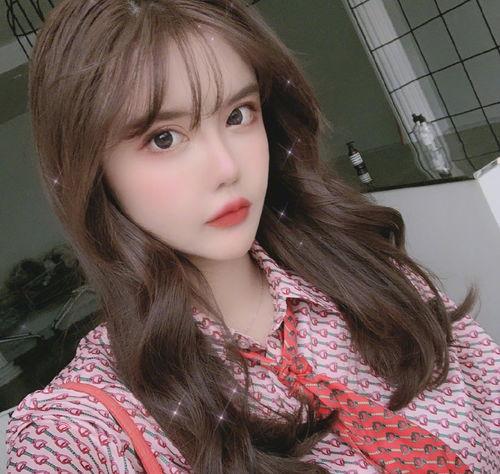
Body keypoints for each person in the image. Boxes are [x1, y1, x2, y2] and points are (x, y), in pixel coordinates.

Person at [5, 0, 499, 472]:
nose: (226, 168)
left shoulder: (366, 271)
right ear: (92, 171)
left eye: (238, 114)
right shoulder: (83, 427)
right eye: (164, 138)